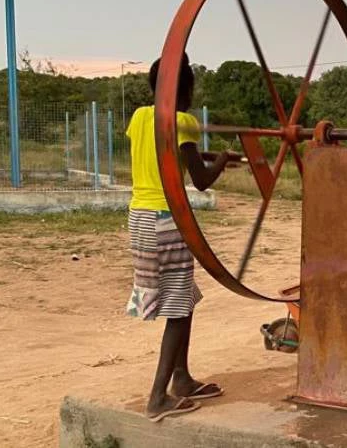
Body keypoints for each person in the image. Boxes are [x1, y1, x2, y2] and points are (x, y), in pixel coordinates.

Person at [125, 54, 231, 421]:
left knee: (183, 297)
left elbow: (163, 153)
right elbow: (200, 180)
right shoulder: (183, 121)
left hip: (139, 216)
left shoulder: (140, 117)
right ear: (185, 88)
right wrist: (223, 160)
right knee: (178, 308)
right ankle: (158, 397)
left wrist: (204, 157)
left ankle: (182, 379)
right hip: (168, 219)